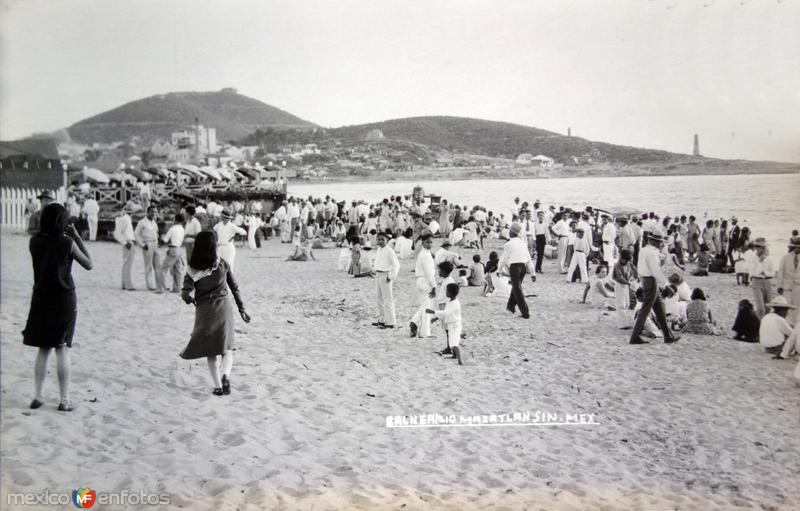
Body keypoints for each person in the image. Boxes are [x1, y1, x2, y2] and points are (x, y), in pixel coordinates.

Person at [22, 203, 92, 412]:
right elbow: (89, 264)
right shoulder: (67, 243)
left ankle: (38, 396)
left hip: (41, 297)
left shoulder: (34, 242)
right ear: (62, 221)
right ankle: (64, 399)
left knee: (43, 348)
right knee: (62, 348)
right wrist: (78, 238)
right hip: (63, 298)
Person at [180, 231, 251, 396]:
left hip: (204, 311)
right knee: (227, 349)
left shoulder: (192, 269)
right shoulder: (222, 264)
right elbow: (234, 287)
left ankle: (218, 386)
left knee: (211, 352)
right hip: (223, 309)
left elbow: (185, 294)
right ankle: (226, 375)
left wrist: (190, 299)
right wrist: (242, 309)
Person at [629, 232, 680, 345]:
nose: (662, 244)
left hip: (646, 280)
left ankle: (667, 336)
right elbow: (656, 272)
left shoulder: (644, 250)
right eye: (661, 242)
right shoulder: (652, 253)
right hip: (651, 281)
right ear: (655, 242)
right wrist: (667, 285)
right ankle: (634, 337)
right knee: (645, 310)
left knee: (660, 309)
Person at [498, 222, 535, 319]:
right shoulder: (523, 243)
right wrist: (532, 273)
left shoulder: (508, 244)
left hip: (514, 268)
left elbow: (503, 259)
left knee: (518, 290)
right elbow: (529, 259)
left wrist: (499, 270)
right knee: (516, 287)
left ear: (512, 232)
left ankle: (525, 313)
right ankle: (510, 307)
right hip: (523, 268)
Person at [426, 283, 464, 365]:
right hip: (451, 324)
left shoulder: (454, 303)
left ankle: (460, 361)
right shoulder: (450, 301)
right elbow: (445, 313)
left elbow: (446, 312)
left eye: (447, 291)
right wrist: (436, 318)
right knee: (451, 341)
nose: (446, 292)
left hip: (455, 325)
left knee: (454, 343)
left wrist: (433, 312)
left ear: (450, 293)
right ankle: (454, 356)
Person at [409, 234, 436, 338]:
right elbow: (429, 273)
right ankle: (424, 332)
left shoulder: (424, 253)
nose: (430, 244)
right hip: (425, 281)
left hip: (421, 280)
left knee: (424, 305)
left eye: (431, 242)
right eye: (427, 242)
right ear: (423, 243)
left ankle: (414, 322)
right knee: (427, 307)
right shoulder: (425, 255)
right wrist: (433, 286)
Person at [371, 232, 400, 329]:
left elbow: (396, 265)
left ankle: (391, 321)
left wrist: (391, 276)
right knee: (379, 298)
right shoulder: (379, 249)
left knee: (388, 299)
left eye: (382, 239)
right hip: (378, 274)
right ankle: (382, 319)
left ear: (387, 240)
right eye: (378, 239)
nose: (380, 241)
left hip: (386, 275)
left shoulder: (390, 251)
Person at [135, 205, 165, 293]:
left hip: (155, 244)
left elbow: (156, 233)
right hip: (147, 244)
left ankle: (159, 284)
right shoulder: (142, 222)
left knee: (158, 265)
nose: (154, 213)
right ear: (147, 212)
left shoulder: (154, 222)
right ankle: (149, 284)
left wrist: (159, 241)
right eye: (152, 212)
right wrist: (142, 244)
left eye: (155, 212)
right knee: (148, 266)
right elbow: (136, 234)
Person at [113, 204, 137, 290]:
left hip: (129, 242)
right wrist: (125, 243)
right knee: (128, 264)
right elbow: (117, 234)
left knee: (126, 264)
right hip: (128, 242)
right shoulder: (123, 219)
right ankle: (128, 285)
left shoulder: (126, 218)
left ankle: (124, 284)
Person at [776, 236, 800, 324]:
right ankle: (787, 325)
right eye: (798, 247)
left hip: (798, 287)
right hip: (786, 287)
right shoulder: (785, 258)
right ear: (794, 247)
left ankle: (793, 327)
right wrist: (779, 285)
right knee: (786, 308)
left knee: (796, 308)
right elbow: (780, 273)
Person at [750, 237, 775, 318]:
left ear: (763, 248)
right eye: (756, 246)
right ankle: (758, 327)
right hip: (756, 282)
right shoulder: (753, 258)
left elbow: (773, 273)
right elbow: (752, 272)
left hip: (767, 282)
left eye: (759, 247)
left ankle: (764, 325)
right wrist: (760, 262)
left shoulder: (769, 259)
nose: (756, 248)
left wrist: (766, 273)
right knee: (761, 308)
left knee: (768, 307)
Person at [612, 249, 637, 329]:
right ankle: (622, 324)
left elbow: (634, 273)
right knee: (621, 305)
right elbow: (619, 277)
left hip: (626, 285)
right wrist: (628, 283)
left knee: (627, 304)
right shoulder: (617, 265)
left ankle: (625, 322)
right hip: (620, 285)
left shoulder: (628, 264)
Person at [161, 213, 186, 293]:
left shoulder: (173, 228)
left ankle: (161, 287)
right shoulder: (182, 229)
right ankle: (177, 288)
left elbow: (165, 240)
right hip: (179, 249)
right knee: (177, 270)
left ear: (175, 219)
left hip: (172, 249)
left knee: (163, 268)